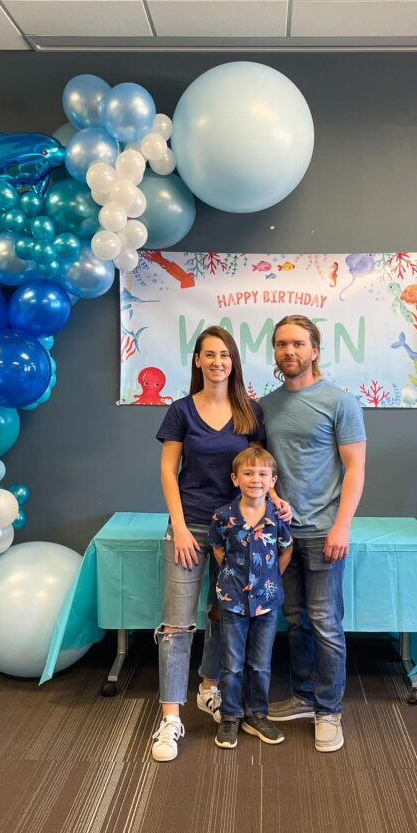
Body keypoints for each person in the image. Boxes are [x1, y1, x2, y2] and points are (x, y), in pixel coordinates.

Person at [150, 326, 266, 762]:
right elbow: (167, 471)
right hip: (191, 526)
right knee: (177, 625)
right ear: (197, 361)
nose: (218, 361)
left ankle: (210, 687)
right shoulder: (181, 411)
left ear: (234, 362)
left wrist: (275, 502)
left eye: (225, 354)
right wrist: (179, 527)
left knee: (224, 615)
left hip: (236, 531)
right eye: (209, 354)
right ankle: (170, 719)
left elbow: (258, 469)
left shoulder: (250, 412)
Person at [261, 316, 366, 752]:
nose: (290, 351)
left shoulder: (340, 403)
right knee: (296, 621)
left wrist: (342, 525)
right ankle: (303, 696)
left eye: (298, 344)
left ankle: (329, 711)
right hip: (281, 534)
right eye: (282, 344)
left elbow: (355, 467)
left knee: (325, 623)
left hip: (325, 533)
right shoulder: (264, 406)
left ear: (314, 349)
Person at [209, 446, 293, 750]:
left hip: (267, 603)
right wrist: (231, 577)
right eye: (248, 473)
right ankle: (231, 715)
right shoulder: (223, 517)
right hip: (232, 601)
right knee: (232, 663)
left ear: (272, 481)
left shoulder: (278, 518)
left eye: (261, 474)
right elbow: (218, 550)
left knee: (260, 663)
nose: (255, 479)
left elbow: (286, 549)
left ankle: (257, 714)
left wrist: (271, 578)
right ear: (235, 479)